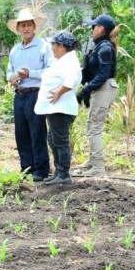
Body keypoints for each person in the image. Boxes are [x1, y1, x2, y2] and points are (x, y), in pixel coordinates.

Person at [6, 8, 53, 182]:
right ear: (18, 29)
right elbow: (9, 69)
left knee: (37, 131)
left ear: (34, 27)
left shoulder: (44, 47)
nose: (26, 28)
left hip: (36, 93)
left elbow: (50, 71)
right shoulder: (15, 50)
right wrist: (12, 77)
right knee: (21, 132)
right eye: (22, 25)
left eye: (28, 25)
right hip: (19, 94)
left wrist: (30, 74)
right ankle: (27, 167)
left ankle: (41, 169)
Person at [34, 31, 82, 186]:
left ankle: (64, 174)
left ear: (61, 46)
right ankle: (59, 172)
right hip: (55, 109)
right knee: (53, 140)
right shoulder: (62, 60)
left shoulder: (69, 61)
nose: (52, 48)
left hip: (61, 109)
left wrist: (58, 93)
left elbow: (71, 80)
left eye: (53, 45)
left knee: (60, 141)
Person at [75, 14, 119, 177]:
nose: (92, 29)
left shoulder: (105, 48)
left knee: (94, 128)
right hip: (101, 88)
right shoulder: (101, 46)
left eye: (94, 26)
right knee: (91, 125)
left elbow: (103, 75)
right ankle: (93, 161)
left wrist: (84, 91)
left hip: (104, 88)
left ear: (101, 28)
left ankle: (98, 167)